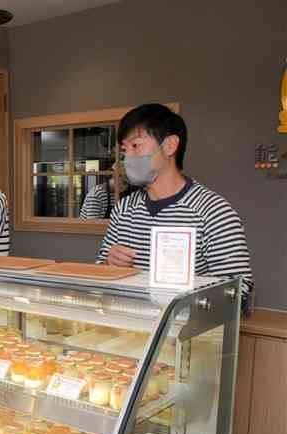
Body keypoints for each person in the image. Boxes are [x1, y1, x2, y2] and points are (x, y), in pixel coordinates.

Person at [97, 103, 254, 313]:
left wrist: (182, 300)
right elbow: (98, 271)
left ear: (170, 145)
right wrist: (109, 263)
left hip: (186, 338)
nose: (128, 159)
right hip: (130, 331)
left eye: (136, 146)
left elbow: (239, 292)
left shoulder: (214, 212)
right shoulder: (124, 209)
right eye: (124, 151)